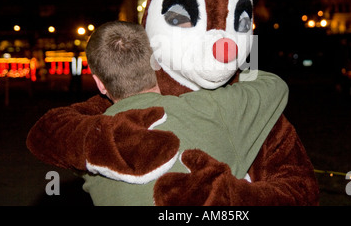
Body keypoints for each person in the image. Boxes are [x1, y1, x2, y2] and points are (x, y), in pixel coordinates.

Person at [76, 20, 289, 205]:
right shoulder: (211, 109)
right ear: (158, 62)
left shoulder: (87, 147)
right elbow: (274, 85)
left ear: (99, 83)